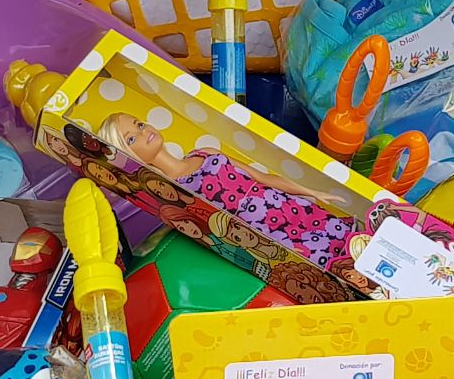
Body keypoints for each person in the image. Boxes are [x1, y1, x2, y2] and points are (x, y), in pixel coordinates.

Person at [98, 112, 354, 269]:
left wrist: (310, 192)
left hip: (287, 206)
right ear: (128, 154)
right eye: (131, 138)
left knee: (349, 240)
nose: (143, 132)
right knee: (329, 263)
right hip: (267, 232)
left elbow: (262, 177)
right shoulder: (172, 193)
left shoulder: (204, 153)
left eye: (139, 124)